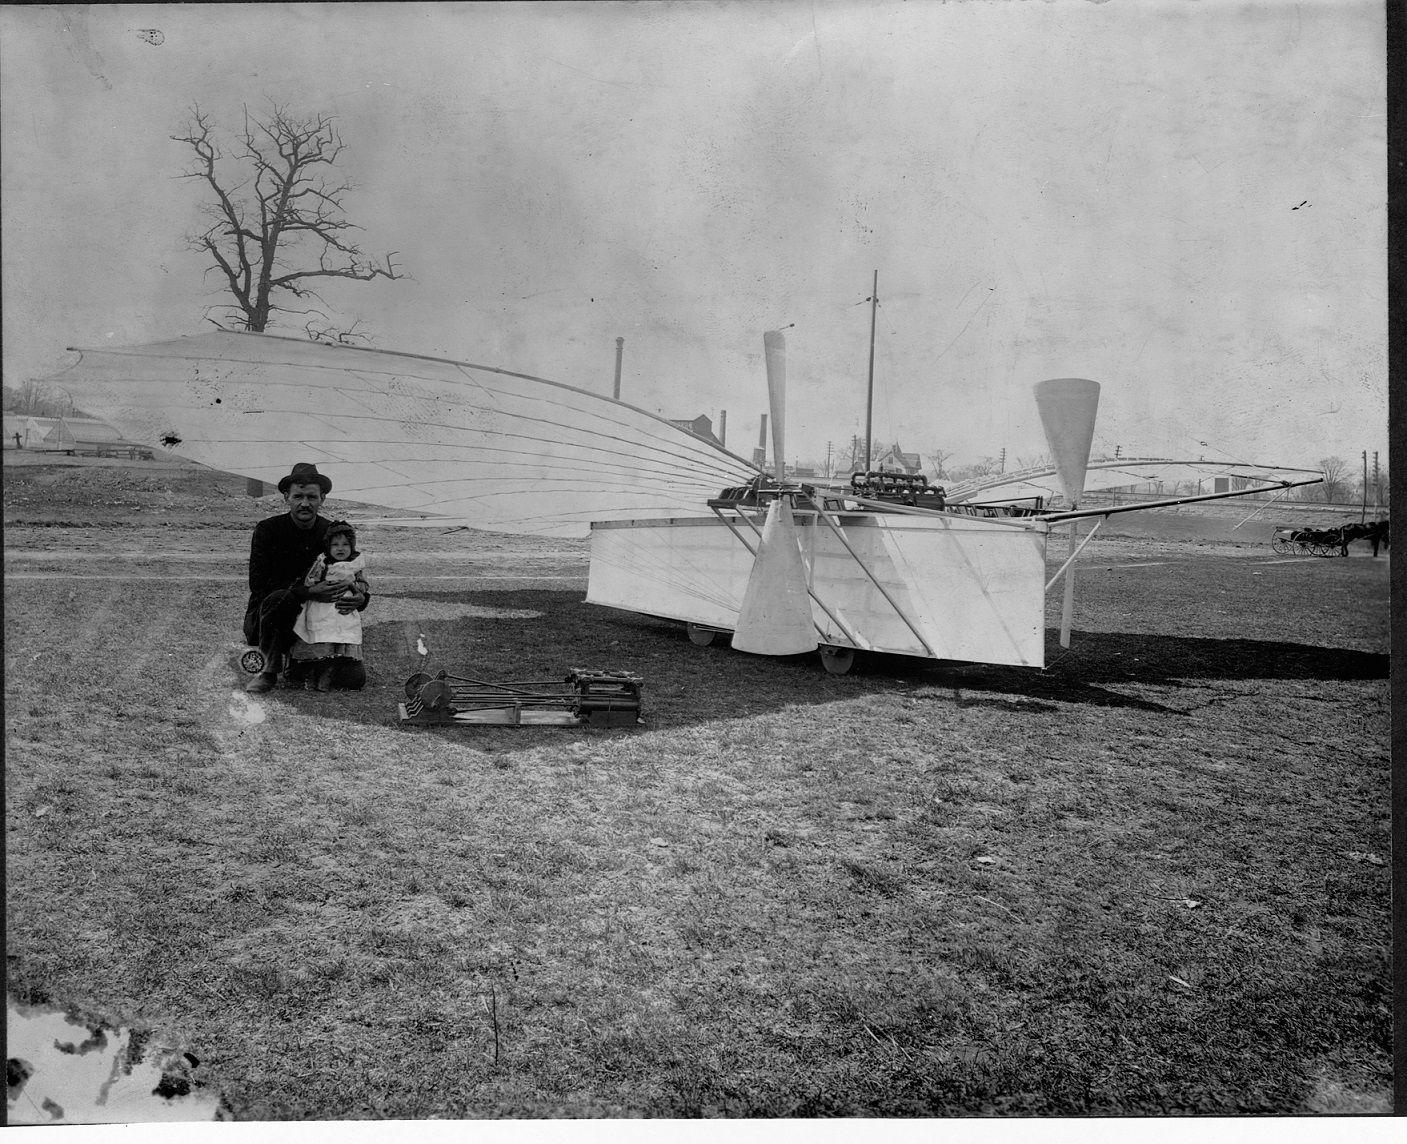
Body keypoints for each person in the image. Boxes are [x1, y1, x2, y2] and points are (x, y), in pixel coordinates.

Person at [243, 462, 369, 694]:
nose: (304, 503)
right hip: (275, 614)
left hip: (320, 616)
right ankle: (268, 671)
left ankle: (300, 662)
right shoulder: (268, 530)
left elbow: (349, 570)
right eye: (298, 496)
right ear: (286, 497)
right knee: (280, 598)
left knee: (354, 679)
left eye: (311, 497)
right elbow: (259, 584)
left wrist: (361, 598)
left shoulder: (333, 532)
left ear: (322, 498)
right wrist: (308, 591)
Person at [290, 521, 369, 691]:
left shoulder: (355, 565)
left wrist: (358, 589)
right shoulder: (322, 563)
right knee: (322, 637)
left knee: (342, 639)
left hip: (343, 609)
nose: (340, 548)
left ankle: (335, 667)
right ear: (328, 546)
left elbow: (363, 584)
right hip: (322, 608)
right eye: (335, 545)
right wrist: (314, 586)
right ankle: (319, 669)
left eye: (345, 544)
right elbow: (310, 580)